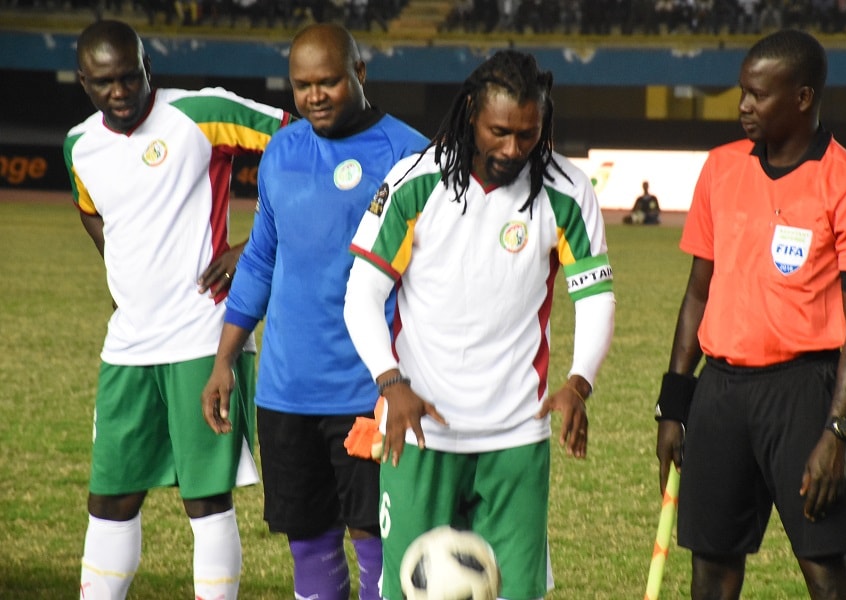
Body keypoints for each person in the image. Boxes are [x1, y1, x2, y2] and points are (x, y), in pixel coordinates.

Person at [343, 49, 616, 600]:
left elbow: (595, 298)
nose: (513, 149)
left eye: (528, 134)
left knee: (516, 592)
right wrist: (391, 384)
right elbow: (361, 296)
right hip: (420, 433)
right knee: (408, 591)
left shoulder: (566, 192)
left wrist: (578, 381)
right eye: (500, 131)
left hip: (517, 435)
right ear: (470, 112)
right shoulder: (416, 182)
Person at [654, 29, 846, 600]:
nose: (743, 106)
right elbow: (696, 295)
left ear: (803, 97)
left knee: (822, 564)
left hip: (803, 395)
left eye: (758, 95)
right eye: (742, 92)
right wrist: (674, 403)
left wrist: (837, 431)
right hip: (720, 390)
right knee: (711, 563)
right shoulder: (720, 169)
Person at [63, 19, 291, 600]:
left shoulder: (200, 112)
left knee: (205, 499)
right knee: (109, 497)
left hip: (203, 337)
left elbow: (301, 143)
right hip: (128, 346)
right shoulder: (80, 145)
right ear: (83, 81)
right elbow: (91, 209)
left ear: (148, 68)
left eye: (129, 76)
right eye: (104, 82)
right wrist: (120, 268)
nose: (120, 91)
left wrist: (255, 247)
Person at [201, 23, 427, 600]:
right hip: (286, 389)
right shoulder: (283, 149)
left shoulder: (409, 153)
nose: (314, 96)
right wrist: (225, 359)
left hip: (369, 388)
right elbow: (259, 259)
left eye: (328, 81)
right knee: (307, 539)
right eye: (302, 85)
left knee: (377, 536)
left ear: (360, 74)